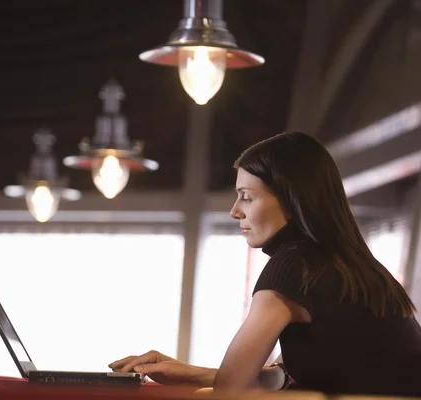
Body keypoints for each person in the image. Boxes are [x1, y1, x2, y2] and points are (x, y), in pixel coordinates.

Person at [109, 131, 421, 397]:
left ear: (292, 198)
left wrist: (205, 381)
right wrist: (187, 372)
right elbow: (280, 377)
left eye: (246, 197)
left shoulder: (296, 265)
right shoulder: (347, 266)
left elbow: (230, 390)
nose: (234, 211)